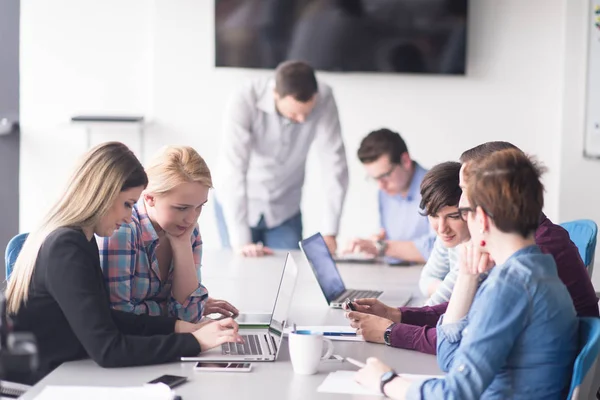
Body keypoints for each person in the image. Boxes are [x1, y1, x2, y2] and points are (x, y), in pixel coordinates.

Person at [6, 142, 242, 384]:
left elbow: (105, 318)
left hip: (61, 370)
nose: (130, 216)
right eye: (128, 204)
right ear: (102, 195)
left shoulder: (78, 239)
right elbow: (108, 349)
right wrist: (195, 342)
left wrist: (180, 327)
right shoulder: (66, 247)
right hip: (38, 382)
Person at [355, 148, 578, 398]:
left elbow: (455, 393)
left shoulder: (510, 287)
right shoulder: (536, 267)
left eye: (461, 213)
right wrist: (466, 278)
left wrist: (385, 381)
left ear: (480, 219)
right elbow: (450, 359)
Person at [215, 60, 348, 257]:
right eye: (294, 114)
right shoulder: (244, 99)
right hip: (240, 202)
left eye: (307, 113)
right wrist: (241, 242)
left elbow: (334, 163)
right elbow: (234, 169)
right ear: (275, 94)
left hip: (285, 208)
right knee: (241, 271)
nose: (302, 120)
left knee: (287, 275)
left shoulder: (324, 97)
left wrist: (330, 231)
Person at [98, 146, 238, 323]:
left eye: (200, 206)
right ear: (149, 198)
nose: (192, 218)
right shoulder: (122, 229)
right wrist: (172, 310)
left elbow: (189, 315)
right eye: (181, 208)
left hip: (164, 339)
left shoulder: (188, 230)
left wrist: (181, 245)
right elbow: (121, 315)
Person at [344, 128, 435, 263]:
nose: (381, 185)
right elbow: (388, 242)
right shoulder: (384, 193)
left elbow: (438, 249)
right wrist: (376, 243)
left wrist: (382, 247)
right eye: (375, 179)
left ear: (405, 161)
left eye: (385, 176)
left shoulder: (436, 188)